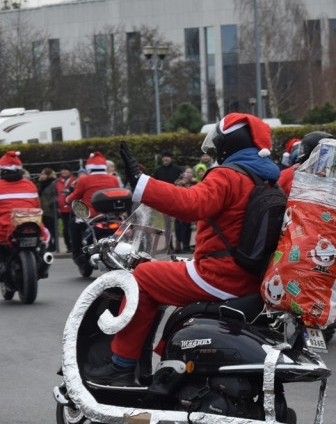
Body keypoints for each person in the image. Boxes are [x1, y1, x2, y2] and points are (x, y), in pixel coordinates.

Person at [85, 113, 280, 385]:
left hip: (220, 275)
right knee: (167, 269)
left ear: (230, 144)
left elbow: (191, 204)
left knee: (142, 278)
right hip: (251, 277)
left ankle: (121, 366)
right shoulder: (268, 179)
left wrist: (142, 182)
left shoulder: (229, 176)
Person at [0, 151, 48, 281]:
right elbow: (38, 208)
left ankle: (1, 266)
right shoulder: (30, 184)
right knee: (43, 241)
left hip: (6, 228)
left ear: (1, 170)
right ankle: (42, 261)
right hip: (33, 225)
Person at [65, 151, 122, 261]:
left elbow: (75, 196)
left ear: (89, 168)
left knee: (73, 225)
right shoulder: (113, 179)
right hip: (112, 215)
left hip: (91, 215)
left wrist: (67, 200)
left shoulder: (84, 179)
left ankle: (78, 255)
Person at [151, 150, 183, 251]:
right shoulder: (158, 170)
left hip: (176, 198)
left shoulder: (177, 169)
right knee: (167, 224)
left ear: (171, 158)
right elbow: (154, 183)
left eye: (168, 157)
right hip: (164, 200)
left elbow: (182, 180)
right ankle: (169, 245)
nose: (166, 158)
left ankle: (179, 244)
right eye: (164, 157)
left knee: (178, 223)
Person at [173, 167, 197, 252]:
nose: (189, 174)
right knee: (178, 227)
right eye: (187, 172)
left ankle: (186, 246)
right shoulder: (179, 182)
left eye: (190, 172)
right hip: (179, 207)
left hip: (189, 208)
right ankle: (178, 245)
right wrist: (183, 182)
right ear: (184, 173)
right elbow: (175, 189)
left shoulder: (194, 183)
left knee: (187, 228)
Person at [55, 165, 77, 253]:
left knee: (72, 228)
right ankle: (68, 246)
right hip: (62, 209)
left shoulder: (74, 181)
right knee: (65, 228)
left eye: (66, 170)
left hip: (73, 209)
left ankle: (74, 245)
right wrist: (56, 206)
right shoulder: (57, 182)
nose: (63, 172)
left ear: (69, 172)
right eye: (62, 170)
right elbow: (55, 194)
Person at [37, 167, 58, 252]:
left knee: (52, 229)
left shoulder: (53, 184)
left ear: (49, 175)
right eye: (42, 174)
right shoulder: (41, 184)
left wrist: (50, 204)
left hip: (50, 210)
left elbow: (54, 196)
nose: (42, 176)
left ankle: (55, 245)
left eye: (44, 174)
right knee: (46, 229)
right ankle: (50, 244)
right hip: (43, 210)